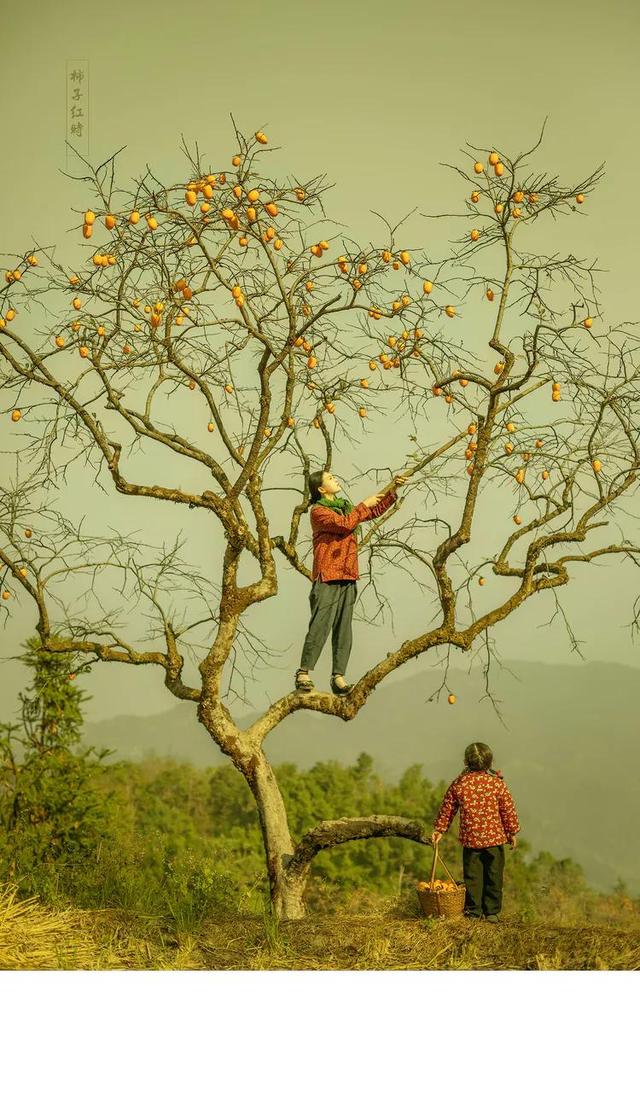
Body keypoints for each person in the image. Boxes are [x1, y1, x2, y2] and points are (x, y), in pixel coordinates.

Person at [295, 469, 406, 695]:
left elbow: (370, 512)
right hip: (327, 574)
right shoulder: (319, 512)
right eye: (330, 479)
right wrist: (364, 504)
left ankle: (338, 676)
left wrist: (393, 488)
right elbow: (346, 523)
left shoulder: (346, 507)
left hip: (347, 574)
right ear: (320, 489)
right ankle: (303, 672)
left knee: (344, 628)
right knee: (320, 625)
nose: (335, 479)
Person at [430, 742, 520, 923]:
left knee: (472, 878)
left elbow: (448, 808)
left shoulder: (459, 784)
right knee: (494, 876)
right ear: (490, 762)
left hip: (471, 842)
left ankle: (473, 912)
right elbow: (507, 809)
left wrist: (440, 829)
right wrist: (512, 832)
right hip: (494, 841)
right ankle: (492, 912)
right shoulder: (496, 784)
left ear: (465, 761)